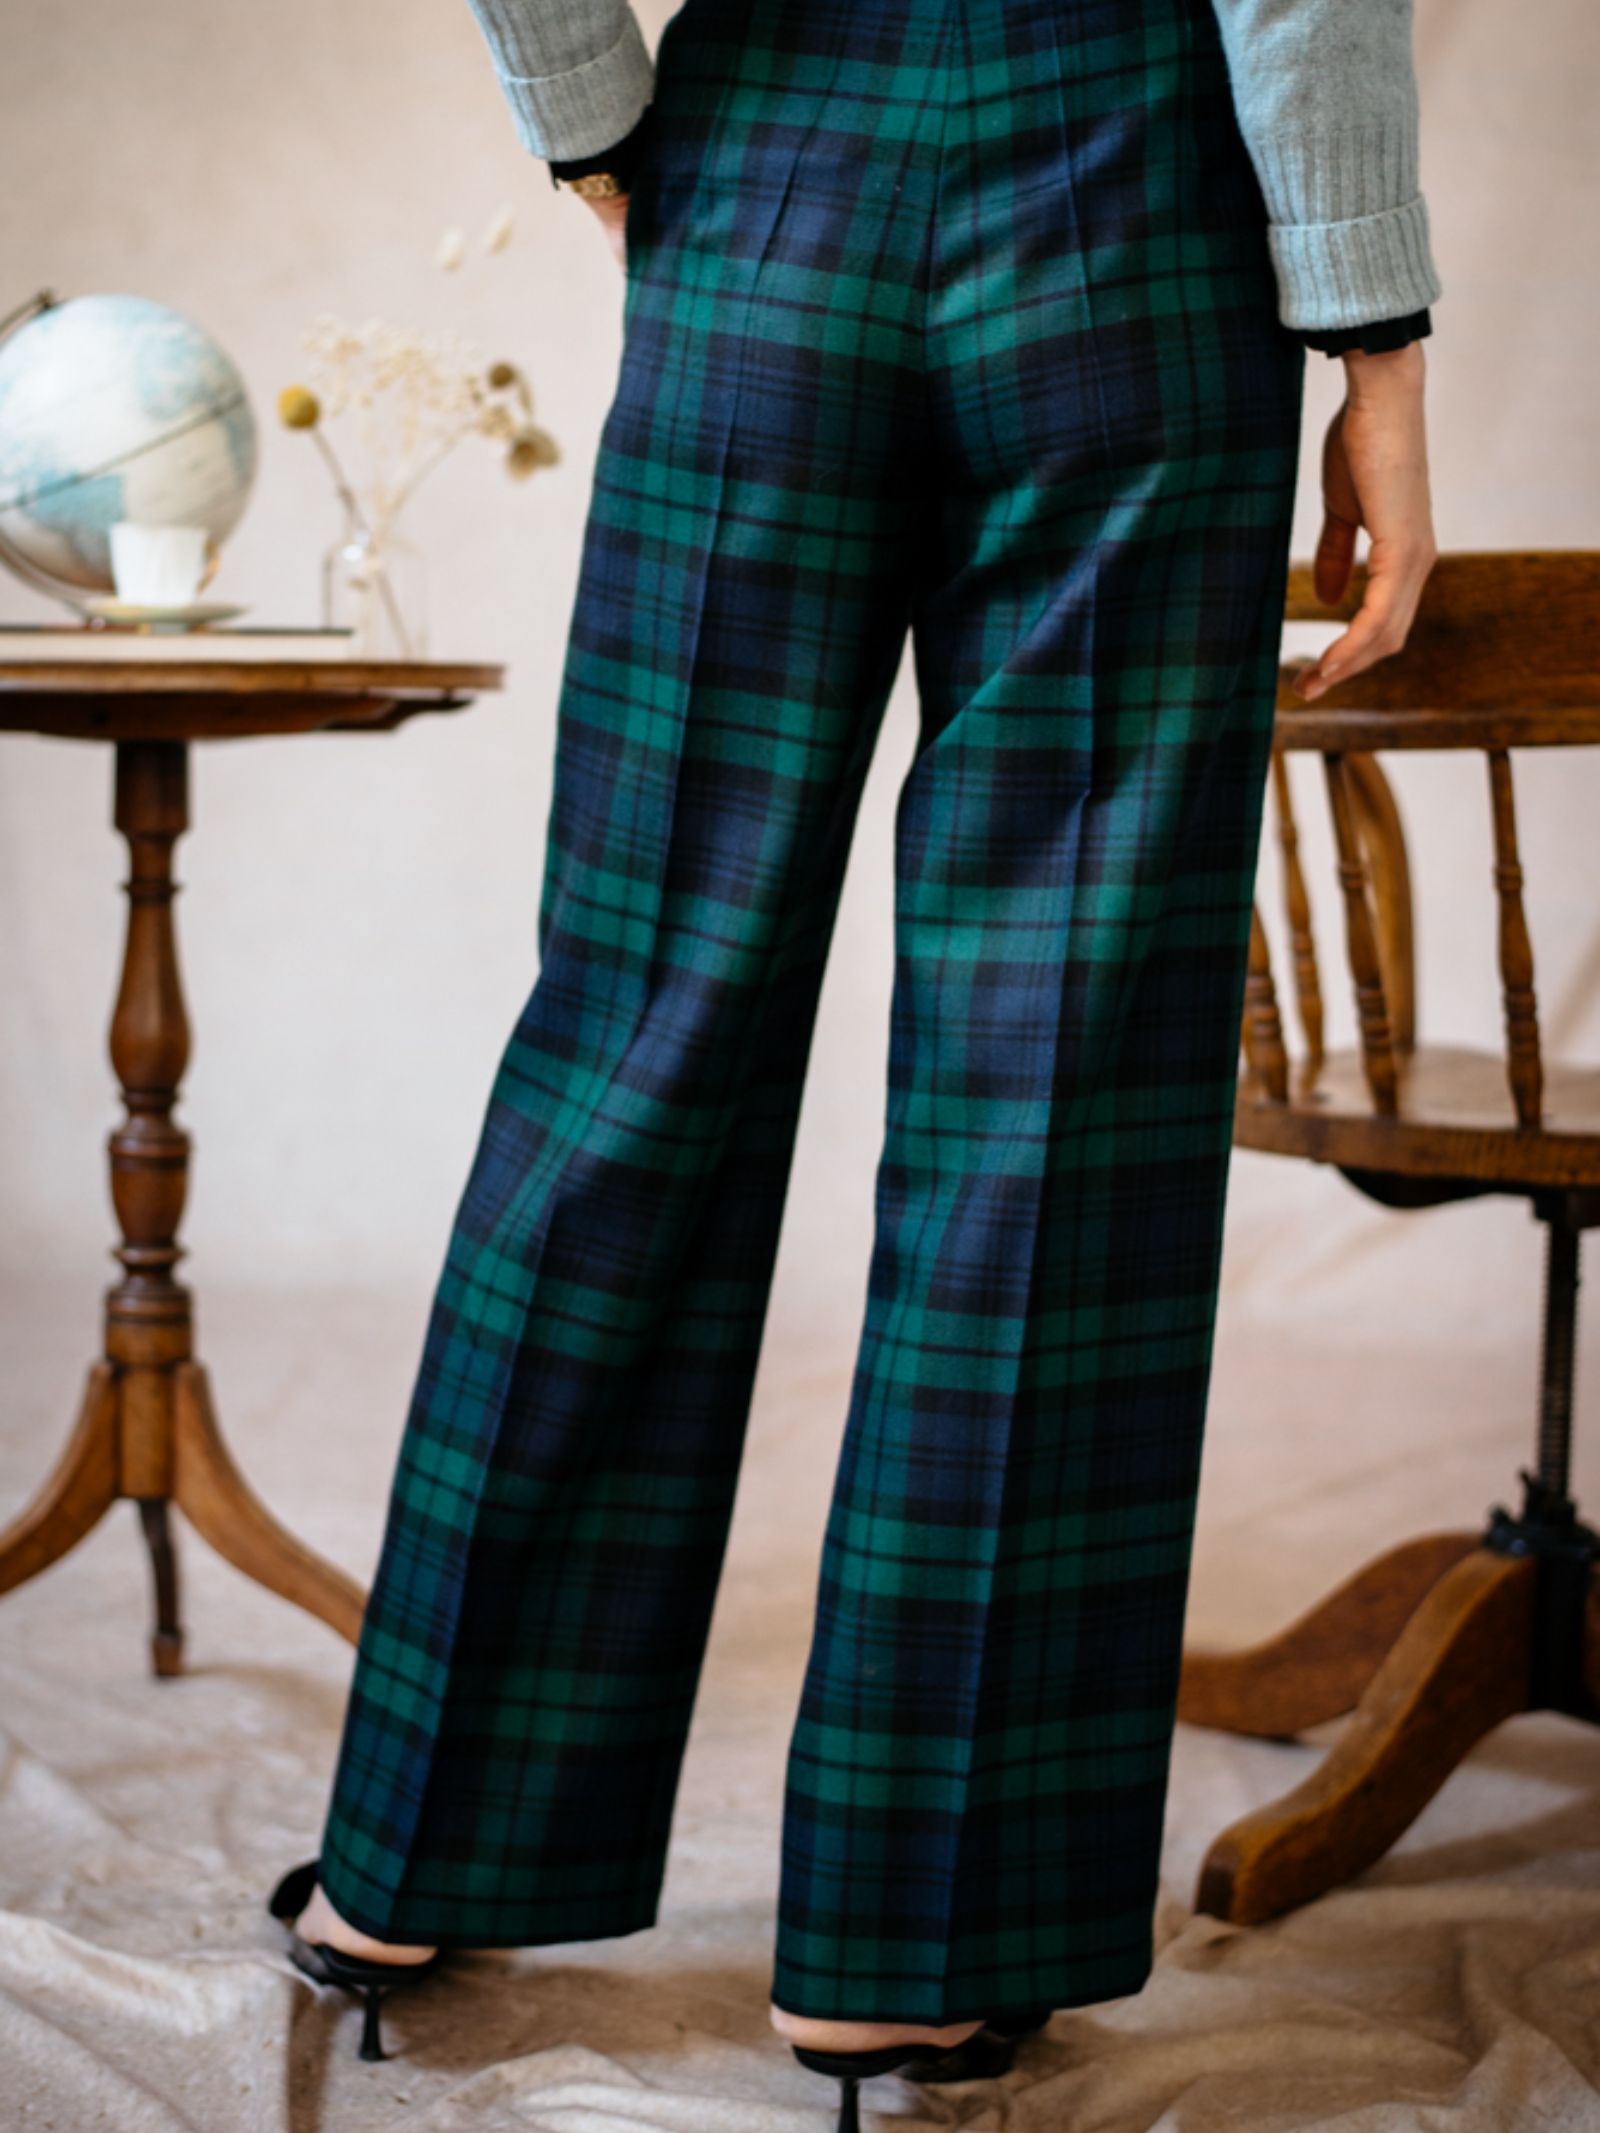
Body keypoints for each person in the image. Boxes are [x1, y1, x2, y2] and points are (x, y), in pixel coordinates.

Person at [269, 0, 1440, 2117]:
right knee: (1051, 1081)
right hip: (1135, 205)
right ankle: (913, 1944)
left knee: (638, 1020)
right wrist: (1372, 343)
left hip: (769, 166)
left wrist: (603, 131)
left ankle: (409, 1855)